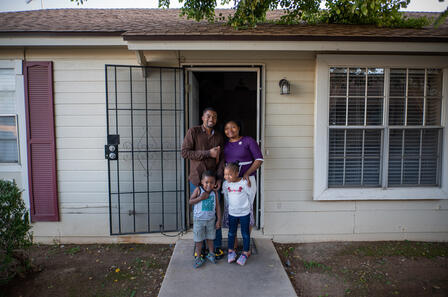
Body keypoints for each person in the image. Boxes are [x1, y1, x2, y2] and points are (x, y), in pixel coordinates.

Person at [181, 107, 225, 259]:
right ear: (202, 117)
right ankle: (200, 247)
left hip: (212, 182)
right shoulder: (193, 132)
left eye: (214, 116)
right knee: (200, 213)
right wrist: (208, 153)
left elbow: (222, 159)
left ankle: (216, 247)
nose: (211, 118)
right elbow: (185, 152)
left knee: (213, 212)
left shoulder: (219, 136)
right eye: (208, 116)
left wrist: (219, 178)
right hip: (197, 180)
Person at [222, 120, 263, 249]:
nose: (230, 130)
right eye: (227, 128)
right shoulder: (225, 145)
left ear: (239, 128)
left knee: (247, 210)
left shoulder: (248, 141)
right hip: (230, 183)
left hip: (247, 181)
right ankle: (233, 245)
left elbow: (259, 159)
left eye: (233, 127)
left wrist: (247, 173)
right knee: (231, 209)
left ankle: (245, 243)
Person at [222, 162, 255, 266]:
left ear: (237, 173)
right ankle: (231, 251)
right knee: (231, 233)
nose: (227, 177)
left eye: (229, 174)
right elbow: (226, 197)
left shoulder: (244, 183)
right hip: (232, 213)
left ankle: (245, 252)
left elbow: (250, 195)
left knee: (245, 233)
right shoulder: (226, 184)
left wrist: (245, 207)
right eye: (225, 174)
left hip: (244, 213)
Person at [189, 170, 222, 268]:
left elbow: (218, 207)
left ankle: (211, 254)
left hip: (211, 220)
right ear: (202, 182)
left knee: (210, 238)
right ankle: (198, 257)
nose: (209, 185)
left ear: (215, 183)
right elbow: (190, 201)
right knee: (199, 240)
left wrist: (218, 220)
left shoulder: (214, 193)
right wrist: (200, 198)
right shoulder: (198, 190)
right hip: (199, 220)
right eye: (206, 182)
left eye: (212, 182)